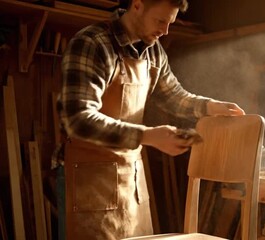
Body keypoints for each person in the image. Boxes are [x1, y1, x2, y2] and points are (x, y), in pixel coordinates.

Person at [56, 0, 245, 239]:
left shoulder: (153, 51)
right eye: (160, 21)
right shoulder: (93, 44)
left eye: (170, 23)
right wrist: (147, 135)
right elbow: (77, 119)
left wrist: (210, 106)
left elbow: (174, 96)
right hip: (87, 180)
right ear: (137, 5)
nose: (165, 31)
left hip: (130, 179)